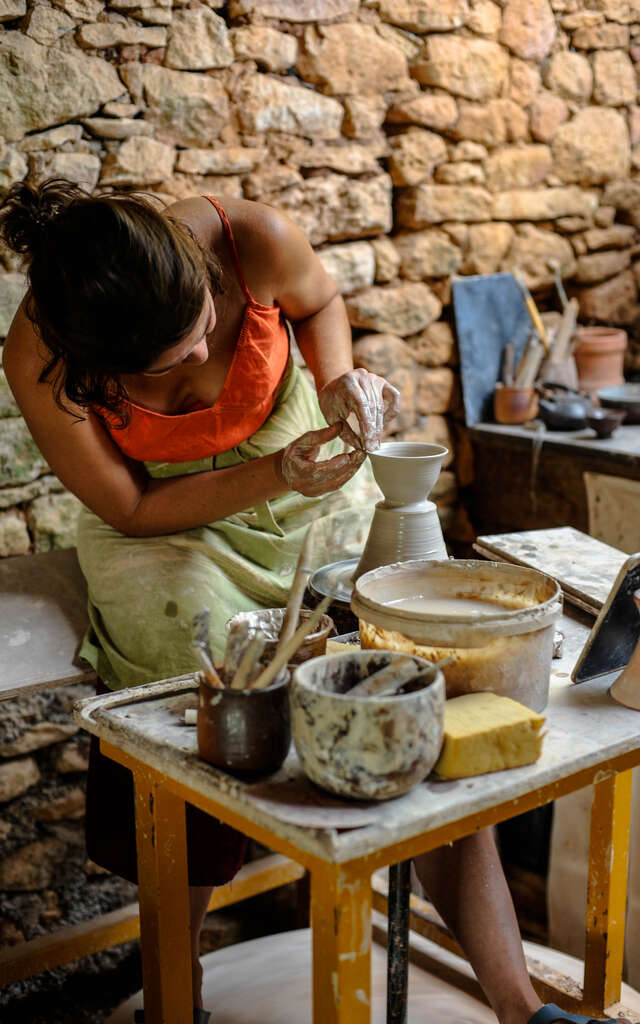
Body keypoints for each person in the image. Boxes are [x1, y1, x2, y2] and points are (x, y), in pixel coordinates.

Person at [0, 180, 622, 1024]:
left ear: (203, 273)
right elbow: (130, 509)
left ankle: (521, 1009)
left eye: (204, 333)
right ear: (93, 365)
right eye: (166, 364)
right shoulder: (37, 353)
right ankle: (172, 1006)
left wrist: (339, 384)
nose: (197, 359)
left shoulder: (249, 237)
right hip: (172, 525)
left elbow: (322, 301)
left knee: (409, 679)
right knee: (203, 692)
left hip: (311, 481)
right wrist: (273, 470)